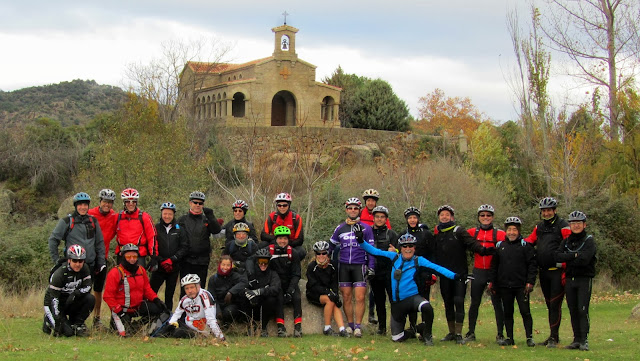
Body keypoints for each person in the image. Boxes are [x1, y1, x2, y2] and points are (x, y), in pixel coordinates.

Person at [356, 233, 463, 345]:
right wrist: (360, 240)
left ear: (414, 248)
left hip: (413, 298)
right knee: (397, 338)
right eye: (405, 246)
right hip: (397, 303)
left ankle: (427, 335)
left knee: (427, 307)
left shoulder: (419, 260)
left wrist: (456, 276)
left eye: (410, 246)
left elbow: (438, 268)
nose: (408, 249)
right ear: (400, 248)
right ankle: (416, 330)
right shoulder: (393, 257)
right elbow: (374, 251)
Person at [431, 204, 494, 344]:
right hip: (445, 274)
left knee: (458, 301)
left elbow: (472, 244)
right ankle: (451, 332)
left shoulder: (458, 231)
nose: (445, 217)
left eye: (447, 214)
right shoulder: (437, 234)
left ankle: (459, 334)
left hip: (460, 274)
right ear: (439, 218)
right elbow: (433, 253)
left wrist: (485, 250)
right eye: (442, 215)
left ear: (452, 217)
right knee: (447, 303)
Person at [48, 192, 106, 331]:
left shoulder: (93, 221)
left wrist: (101, 261)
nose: (83, 207)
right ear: (75, 206)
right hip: (71, 265)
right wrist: (57, 260)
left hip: (89, 265)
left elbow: (99, 243)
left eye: (85, 205)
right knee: (66, 293)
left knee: (85, 295)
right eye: (80, 204)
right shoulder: (67, 221)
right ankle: (59, 318)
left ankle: (77, 321)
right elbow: (53, 240)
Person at [524, 197, 571, 348]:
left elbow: (570, 245)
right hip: (543, 272)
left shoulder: (563, 226)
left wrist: (565, 265)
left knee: (555, 304)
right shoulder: (539, 227)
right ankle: (553, 336)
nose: (546, 213)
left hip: (557, 272)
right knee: (549, 304)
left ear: (554, 210)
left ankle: (554, 337)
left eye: (549, 210)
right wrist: (510, 241)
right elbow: (529, 241)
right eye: (544, 211)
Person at [329, 197, 375, 337]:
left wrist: (371, 266)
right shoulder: (340, 228)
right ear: (346, 210)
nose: (353, 210)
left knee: (360, 297)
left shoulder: (366, 228)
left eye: (356, 208)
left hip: (359, 265)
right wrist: (324, 260)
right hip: (344, 265)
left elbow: (372, 250)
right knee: (347, 297)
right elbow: (331, 246)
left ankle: (358, 327)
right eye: (350, 208)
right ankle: (350, 325)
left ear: (359, 210)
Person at [488, 217, 537, 347]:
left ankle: (529, 337)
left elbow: (532, 265)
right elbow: (494, 266)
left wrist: (530, 282)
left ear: (519, 231)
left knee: (525, 311)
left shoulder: (525, 246)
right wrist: (492, 282)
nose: (511, 232)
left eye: (514, 230)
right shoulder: (500, 246)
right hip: (504, 285)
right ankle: (510, 337)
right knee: (508, 312)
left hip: (521, 286)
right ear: (506, 231)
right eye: (509, 230)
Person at [103, 244, 168, 336]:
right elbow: (108, 296)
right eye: (128, 256)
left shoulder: (141, 270)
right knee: (124, 335)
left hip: (137, 307)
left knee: (159, 309)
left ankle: (136, 326)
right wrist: (120, 312)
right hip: (122, 311)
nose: (132, 259)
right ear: (123, 256)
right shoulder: (115, 272)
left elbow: (147, 289)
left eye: (134, 256)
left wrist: (156, 300)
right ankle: (124, 326)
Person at [464, 204, 506, 343]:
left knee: (497, 303)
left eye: (488, 215)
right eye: (482, 215)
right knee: (474, 303)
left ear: (492, 217)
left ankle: (500, 334)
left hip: (493, 273)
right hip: (478, 272)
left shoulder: (500, 234)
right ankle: (471, 332)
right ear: (478, 217)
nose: (485, 218)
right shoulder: (472, 232)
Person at [556, 211, 596, 351]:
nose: (576, 226)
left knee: (582, 309)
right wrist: (575, 255)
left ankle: (584, 340)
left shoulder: (589, 240)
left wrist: (569, 257)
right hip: (569, 279)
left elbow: (585, 260)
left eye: (579, 223)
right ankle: (576, 339)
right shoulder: (566, 241)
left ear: (584, 225)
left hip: (584, 279)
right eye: (573, 223)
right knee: (572, 309)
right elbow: (558, 257)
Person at [43, 245, 95, 337]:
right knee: (66, 333)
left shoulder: (85, 269)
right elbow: (53, 298)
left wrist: (76, 293)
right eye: (74, 260)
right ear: (69, 260)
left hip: (70, 301)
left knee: (90, 299)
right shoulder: (60, 273)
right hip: (55, 303)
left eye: (80, 261)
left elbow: (88, 286)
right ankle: (48, 320)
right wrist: (57, 317)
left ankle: (77, 324)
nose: (78, 264)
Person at [358, 189, 391, 325]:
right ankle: (372, 313)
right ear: (365, 202)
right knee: (373, 289)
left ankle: (373, 313)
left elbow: (389, 234)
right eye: (368, 200)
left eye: (373, 200)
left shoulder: (382, 217)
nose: (371, 202)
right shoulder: (360, 214)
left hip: (384, 265)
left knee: (380, 293)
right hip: (366, 255)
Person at [179, 191, 222, 292]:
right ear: (190, 203)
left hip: (202, 261)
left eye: (200, 203)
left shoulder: (206, 219)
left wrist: (211, 216)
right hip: (186, 261)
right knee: (185, 290)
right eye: (195, 202)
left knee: (200, 290)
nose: (198, 205)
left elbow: (217, 230)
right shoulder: (182, 220)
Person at [87, 188, 118, 329]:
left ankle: (96, 319)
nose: (107, 204)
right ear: (100, 201)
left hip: (102, 258)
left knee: (98, 289)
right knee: (84, 288)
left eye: (110, 202)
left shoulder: (114, 216)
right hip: (87, 258)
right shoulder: (89, 214)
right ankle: (79, 318)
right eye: (105, 201)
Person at [401, 206, 435, 331]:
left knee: (424, 299)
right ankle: (413, 327)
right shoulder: (403, 234)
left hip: (424, 272)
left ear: (418, 219)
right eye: (410, 218)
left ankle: (426, 328)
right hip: (409, 272)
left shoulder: (426, 234)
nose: (412, 220)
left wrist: (432, 273)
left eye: (414, 217)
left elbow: (432, 254)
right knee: (410, 298)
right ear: (406, 219)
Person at [150, 202, 189, 311]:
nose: (167, 216)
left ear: (173, 215)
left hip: (174, 268)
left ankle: (168, 318)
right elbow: (151, 245)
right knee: (151, 292)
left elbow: (184, 247)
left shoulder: (179, 229)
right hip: (159, 267)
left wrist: (173, 259)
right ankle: (150, 316)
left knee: (169, 295)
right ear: (161, 214)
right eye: (165, 214)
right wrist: (160, 260)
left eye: (170, 214)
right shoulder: (155, 228)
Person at [306, 241, 349, 337]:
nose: (321, 256)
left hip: (327, 292)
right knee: (330, 300)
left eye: (324, 253)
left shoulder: (333, 265)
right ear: (315, 254)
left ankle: (342, 329)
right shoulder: (312, 267)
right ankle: (327, 328)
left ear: (327, 254)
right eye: (318, 253)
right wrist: (328, 293)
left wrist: (335, 294)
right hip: (314, 293)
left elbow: (334, 283)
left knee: (334, 301)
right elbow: (313, 285)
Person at [167, 274, 226, 341]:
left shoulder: (205, 297)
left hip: (205, 329)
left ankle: (201, 336)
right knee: (175, 331)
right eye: (187, 288)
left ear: (198, 286)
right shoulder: (184, 299)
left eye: (192, 287)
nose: (189, 291)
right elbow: (177, 314)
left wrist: (220, 337)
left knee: (179, 333)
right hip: (189, 327)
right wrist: (170, 325)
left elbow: (211, 319)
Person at [268, 225, 303, 337]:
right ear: (276, 239)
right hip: (276, 282)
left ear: (288, 240)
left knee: (296, 298)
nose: (282, 241)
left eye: (285, 239)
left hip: (289, 281)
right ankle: (280, 327)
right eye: (280, 238)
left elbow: (296, 273)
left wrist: (290, 290)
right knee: (279, 298)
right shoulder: (270, 251)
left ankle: (298, 327)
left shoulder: (293, 253)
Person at [369, 205, 399, 335]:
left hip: (389, 272)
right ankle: (382, 328)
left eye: (382, 217)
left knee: (394, 300)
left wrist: (395, 251)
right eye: (377, 217)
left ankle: (396, 327)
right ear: (373, 218)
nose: (379, 219)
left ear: (386, 219)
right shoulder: (368, 232)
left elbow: (401, 253)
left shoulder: (391, 234)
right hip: (375, 272)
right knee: (379, 301)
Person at [245, 248, 283, 337]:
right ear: (257, 261)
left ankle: (263, 328)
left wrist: (260, 291)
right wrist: (247, 291)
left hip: (266, 307)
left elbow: (276, 288)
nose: (263, 264)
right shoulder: (251, 272)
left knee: (271, 299)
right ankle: (251, 325)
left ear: (269, 262)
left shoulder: (272, 273)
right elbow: (242, 283)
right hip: (253, 305)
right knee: (244, 297)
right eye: (260, 261)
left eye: (265, 261)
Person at [115, 188, 157, 267]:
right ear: (124, 203)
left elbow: (152, 237)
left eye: (133, 201)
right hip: (122, 253)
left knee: (139, 278)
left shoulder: (144, 217)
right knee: (120, 278)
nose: (131, 204)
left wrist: (153, 256)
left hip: (138, 254)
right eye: (128, 201)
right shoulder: (118, 217)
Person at [207, 255, 249, 329]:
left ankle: (227, 325)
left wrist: (231, 292)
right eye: (223, 265)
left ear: (231, 266)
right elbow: (211, 297)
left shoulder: (235, 276)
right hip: (217, 304)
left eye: (228, 265)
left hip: (231, 305)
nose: (225, 267)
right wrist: (218, 310)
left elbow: (245, 282)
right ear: (219, 265)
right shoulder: (213, 279)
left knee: (229, 312)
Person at [261, 192, 305, 260]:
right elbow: (263, 235)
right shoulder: (272, 217)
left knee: (301, 251)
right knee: (262, 245)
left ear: (289, 205)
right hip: (275, 243)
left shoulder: (296, 218)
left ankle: (293, 267)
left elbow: (300, 240)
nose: (282, 207)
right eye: (279, 205)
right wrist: (277, 241)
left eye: (284, 205)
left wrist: (285, 243)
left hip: (291, 245)